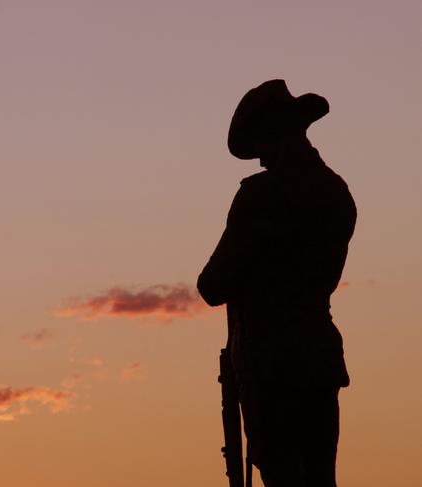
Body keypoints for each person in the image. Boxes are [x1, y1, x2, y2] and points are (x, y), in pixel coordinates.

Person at [197, 79, 356, 487]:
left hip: (271, 365)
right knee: (320, 478)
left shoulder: (260, 196)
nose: (262, 160)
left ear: (275, 136)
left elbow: (213, 284)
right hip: (318, 355)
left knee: (283, 475)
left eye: (262, 147)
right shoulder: (336, 192)